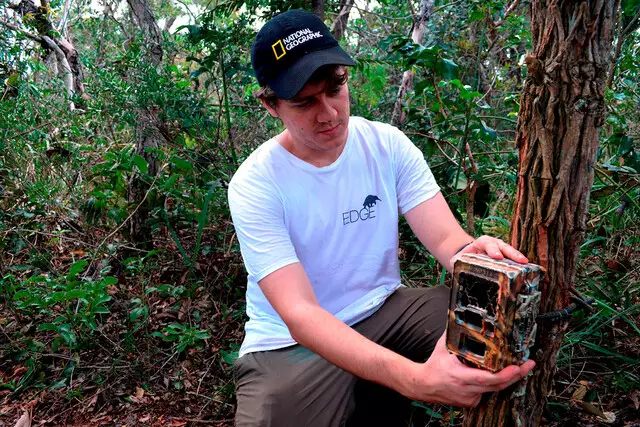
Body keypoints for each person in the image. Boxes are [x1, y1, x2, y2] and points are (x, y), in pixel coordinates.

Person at [228, 9, 535, 427]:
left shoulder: (386, 145)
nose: (330, 113)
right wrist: (415, 380)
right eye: (304, 102)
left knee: (491, 323)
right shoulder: (257, 183)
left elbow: (449, 241)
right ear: (270, 105)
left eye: (335, 87)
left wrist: (476, 256)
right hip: (290, 345)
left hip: (384, 311)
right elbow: (300, 314)